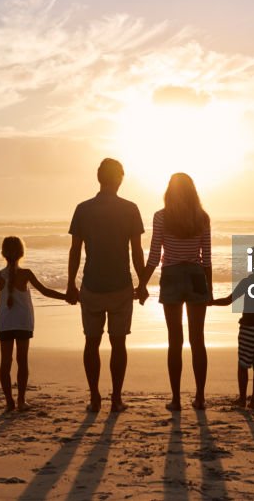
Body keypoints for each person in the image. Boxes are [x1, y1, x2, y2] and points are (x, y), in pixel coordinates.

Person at [67, 158, 147, 413]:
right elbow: (136, 252)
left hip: (91, 284)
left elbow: (75, 251)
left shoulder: (83, 209)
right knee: (118, 343)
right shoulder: (130, 209)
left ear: (99, 177)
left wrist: (71, 283)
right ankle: (116, 398)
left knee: (91, 342)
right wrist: (142, 282)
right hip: (121, 285)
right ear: (120, 179)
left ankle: (94, 397)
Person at [136, 173, 212, 411]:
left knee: (174, 340)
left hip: (171, 276)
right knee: (198, 340)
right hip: (196, 275)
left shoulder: (161, 217)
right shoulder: (202, 217)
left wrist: (142, 284)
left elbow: (154, 256)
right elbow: (207, 257)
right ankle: (200, 397)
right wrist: (208, 289)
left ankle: (176, 399)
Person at [0, 237, 67, 412]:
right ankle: (21, 400)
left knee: (5, 362)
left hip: (5, 322)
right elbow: (45, 291)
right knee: (22, 361)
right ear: (22, 253)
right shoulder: (27, 273)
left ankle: (9, 402)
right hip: (23, 321)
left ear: (3, 254)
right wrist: (66, 297)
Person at [210, 254, 254, 410]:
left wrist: (211, 302)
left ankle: (242, 399)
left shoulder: (248, 282)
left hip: (248, 328)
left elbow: (228, 300)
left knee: (243, 365)